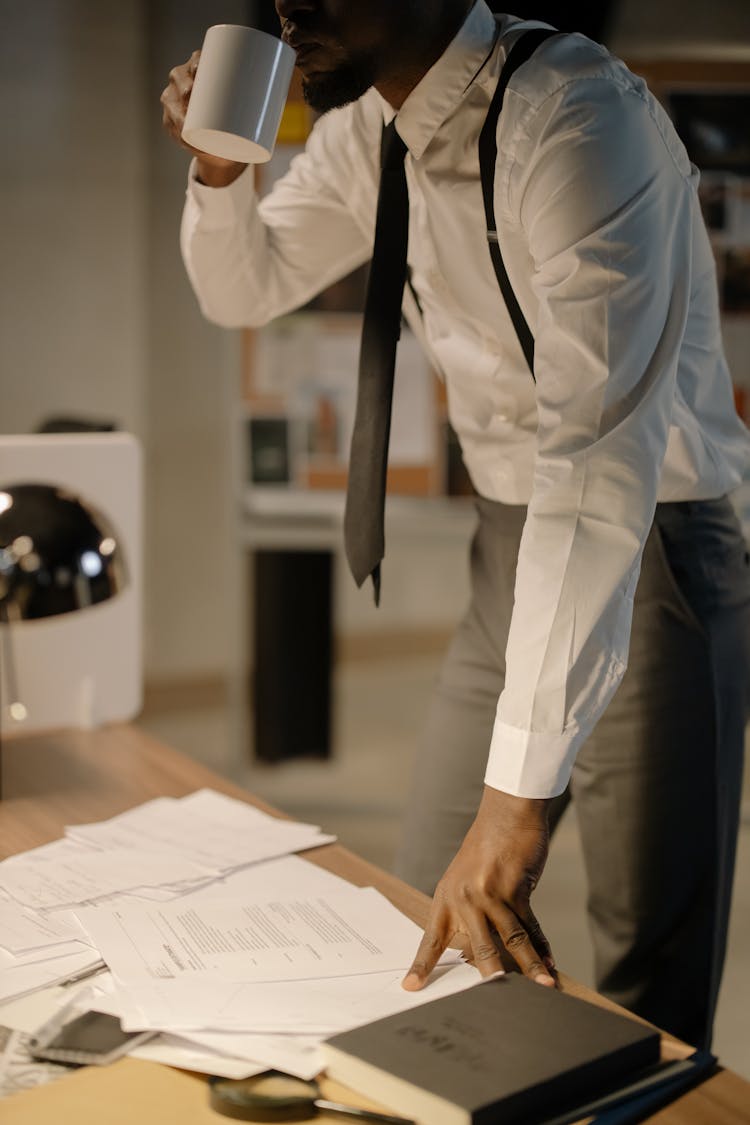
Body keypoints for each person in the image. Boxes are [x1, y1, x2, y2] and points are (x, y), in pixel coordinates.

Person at [162, 0, 750, 1049]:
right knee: (420, 906)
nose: (288, 7)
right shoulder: (363, 132)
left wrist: (517, 800)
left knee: (647, 965)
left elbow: (595, 465)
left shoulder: (576, 120)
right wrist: (217, 170)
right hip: (504, 543)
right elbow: (241, 288)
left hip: (650, 547)